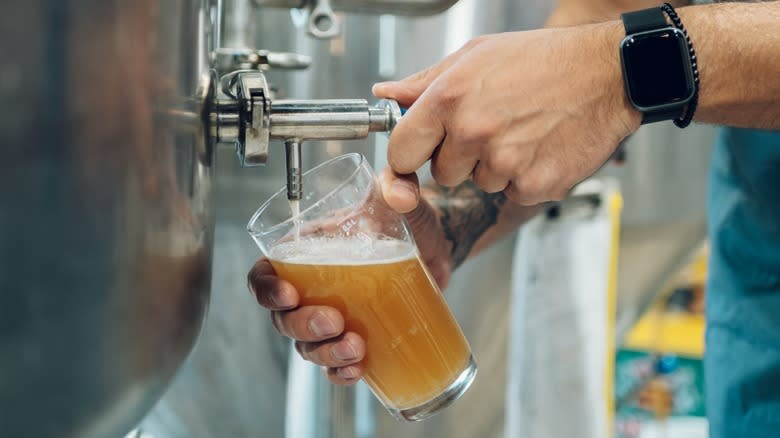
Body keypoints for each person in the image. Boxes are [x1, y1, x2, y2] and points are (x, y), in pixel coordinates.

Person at [248, 1, 779, 436]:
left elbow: (606, 62)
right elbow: (612, 15)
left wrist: (616, 71)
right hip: (759, 327)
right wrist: (449, 224)